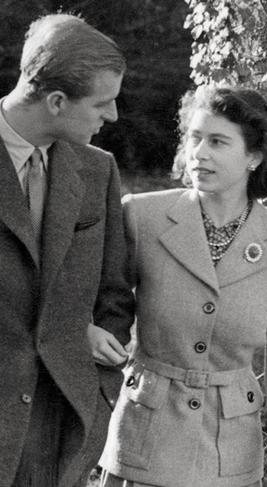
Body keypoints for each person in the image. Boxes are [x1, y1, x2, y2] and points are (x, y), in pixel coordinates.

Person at [97, 85, 267, 487]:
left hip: (228, 457)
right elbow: (99, 308)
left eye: (217, 142)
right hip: (143, 445)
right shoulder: (141, 217)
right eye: (194, 138)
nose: (199, 152)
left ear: (254, 156)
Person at [0, 13, 134, 487]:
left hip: (59, 433)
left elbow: (115, 296)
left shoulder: (99, 171)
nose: (112, 116)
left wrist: (96, 392)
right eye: (103, 103)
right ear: (56, 101)